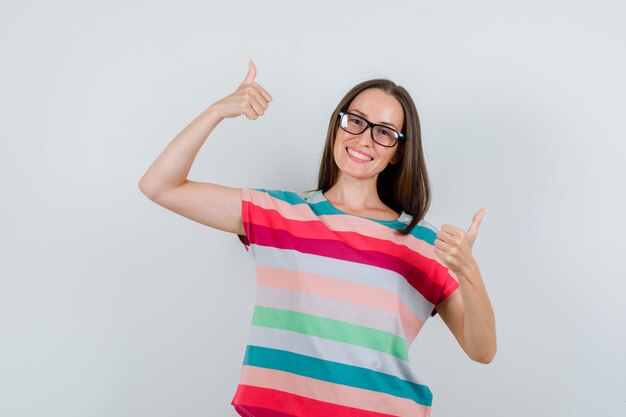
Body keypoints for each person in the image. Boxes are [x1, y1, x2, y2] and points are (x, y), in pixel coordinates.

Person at [139, 60, 496, 417]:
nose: (363, 138)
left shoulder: (422, 240)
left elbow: (481, 350)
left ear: (397, 151)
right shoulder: (278, 213)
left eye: (384, 132)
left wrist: (469, 273)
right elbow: (159, 186)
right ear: (338, 125)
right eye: (356, 121)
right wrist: (218, 110)